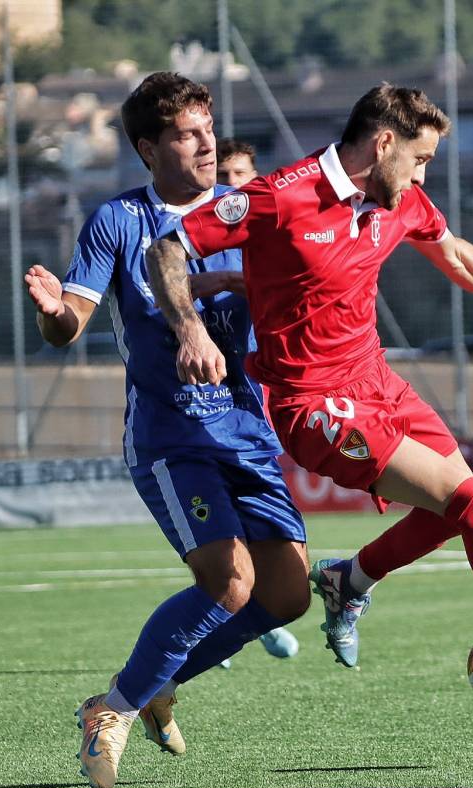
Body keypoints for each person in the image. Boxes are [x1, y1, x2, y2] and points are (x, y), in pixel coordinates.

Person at [145, 84, 473, 707]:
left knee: (454, 510)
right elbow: (168, 248)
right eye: (420, 159)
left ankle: (348, 579)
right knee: (472, 503)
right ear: (384, 143)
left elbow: (456, 256)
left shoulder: (401, 199)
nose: (422, 175)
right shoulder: (281, 197)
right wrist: (190, 329)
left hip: (379, 384)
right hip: (314, 405)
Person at [26, 72, 310, 788]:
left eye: (208, 129)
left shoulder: (246, 212)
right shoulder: (119, 221)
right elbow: (71, 323)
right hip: (171, 435)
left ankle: (154, 683)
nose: (207, 145)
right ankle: (112, 709)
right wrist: (54, 313)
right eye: (187, 134)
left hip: (246, 429)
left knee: (287, 595)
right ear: (149, 149)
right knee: (230, 581)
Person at [208, 134, 301, 665]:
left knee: (260, 527)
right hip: (201, 400)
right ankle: (223, 615)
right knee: (217, 527)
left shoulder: (267, 236)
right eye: (222, 176)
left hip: (253, 398)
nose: (231, 186)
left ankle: (246, 617)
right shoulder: (197, 237)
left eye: (240, 176)